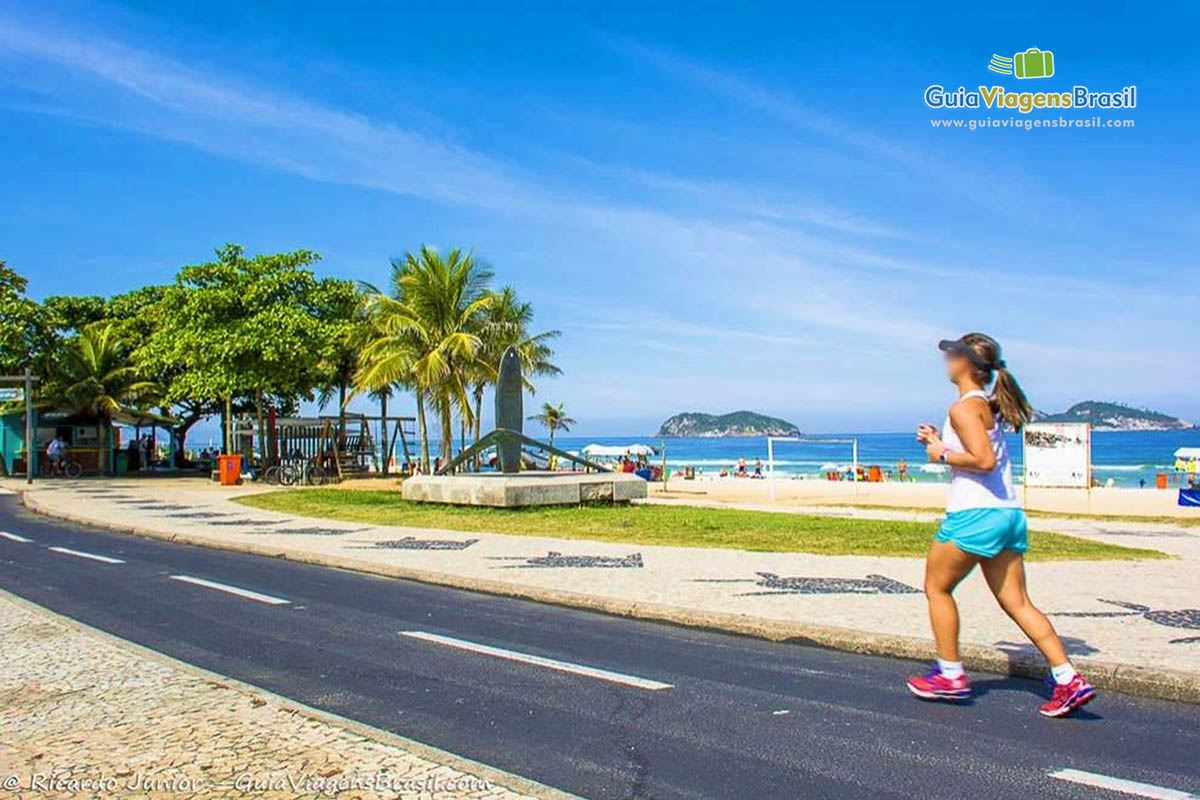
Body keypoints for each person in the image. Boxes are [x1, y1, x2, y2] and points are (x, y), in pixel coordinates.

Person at [906, 333, 1095, 718]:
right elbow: (982, 454)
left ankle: (950, 675)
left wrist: (940, 452)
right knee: (1017, 602)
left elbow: (984, 461)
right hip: (1007, 513)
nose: (945, 362)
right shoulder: (984, 405)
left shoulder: (963, 406)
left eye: (951, 355)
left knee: (936, 588)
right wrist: (941, 440)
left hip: (975, 515)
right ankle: (1067, 678)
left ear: (965, 364)